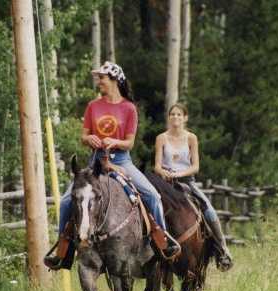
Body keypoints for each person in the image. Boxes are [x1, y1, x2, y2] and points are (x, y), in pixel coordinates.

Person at [45, 61, 181, 270]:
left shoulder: (129, 108)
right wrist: (89, 138)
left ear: (115, 80)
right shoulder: (93, 106)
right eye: (98, 77)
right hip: (95, 162)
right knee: (65, 202)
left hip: (122, 161)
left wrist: (115, 142)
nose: (98, 81)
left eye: (102, 78)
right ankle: (63, 249)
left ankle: (162, 241)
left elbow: (129, 142)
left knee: (152, 196)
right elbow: (83, 135)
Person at [154, 102, 232, 265]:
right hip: (165, 183)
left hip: (186, 182)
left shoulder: (191, 138)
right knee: (148, 206)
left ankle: (223, 250)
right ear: (169, 117)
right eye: (172, 114)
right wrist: (165, 173)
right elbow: (157, 166)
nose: (175, 117)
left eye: (179, 114)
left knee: (209, 209)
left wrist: (179, 173)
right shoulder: (161, 138)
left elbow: (195, 166)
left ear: (185, 118)